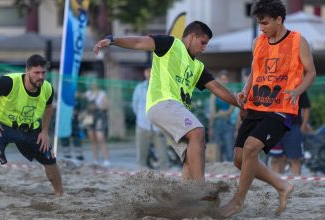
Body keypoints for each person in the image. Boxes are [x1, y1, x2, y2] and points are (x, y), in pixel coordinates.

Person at [94, 20, 239, 182]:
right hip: (162, 103)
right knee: (198, 132)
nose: (204, 47)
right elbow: (139, 42)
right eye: (202, 42)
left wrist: (239, 103)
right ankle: (201, 188)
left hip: (173, 110)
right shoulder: (171, 44)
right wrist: (112, 39)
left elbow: (217, 88)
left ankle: (188, 199)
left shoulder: (197, 66)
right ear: (191, 37)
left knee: (191, 156)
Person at [220, 0, 316, 218]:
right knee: (239, 158)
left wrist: (297, 91)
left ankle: (237, 201)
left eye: (265, 23)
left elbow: (311, 73)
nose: (261, 27)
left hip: (282, 107)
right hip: (256, 104)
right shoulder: (257, 42)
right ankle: (282, 185)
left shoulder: (298, 41)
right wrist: (244, 90)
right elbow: (255, 73)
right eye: (259, 23)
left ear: (279, 20)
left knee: (252, 147)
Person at [0, 54, 63, 196]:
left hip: (30, 129)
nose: (41, 77)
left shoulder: (47, 88)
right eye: (37, 73)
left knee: (49, 158)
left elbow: (49, 107)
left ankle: (60, 194)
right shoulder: (9, 82)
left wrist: (44, 131)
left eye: (43, 73)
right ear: (27, 71)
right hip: (2, 125)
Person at [132, 64, 169, 170]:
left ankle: (165, 177)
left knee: (163, 155)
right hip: (142, 125)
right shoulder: (139, 88)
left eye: (152, 71)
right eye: (147, 71)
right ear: (144, 73)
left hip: (158, 126)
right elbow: (135, 105)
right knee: (141, 155)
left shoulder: (162, 87)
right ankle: (140, 178)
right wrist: (141, 117)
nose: (149, 73)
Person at [270, 91, 312, 176]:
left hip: (293, 126)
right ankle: (278, 184)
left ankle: (296, 185)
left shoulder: (298, 85)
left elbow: (306, 107)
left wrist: (303, 127)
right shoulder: (273, 84)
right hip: (275, 126)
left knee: (295, 159)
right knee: (276, 158)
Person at [208, 70, 235, 161]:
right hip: (217, 124)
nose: (224, 81)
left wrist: (219, 114)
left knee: (229, 149)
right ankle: (218, 171)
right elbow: (212, 112)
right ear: (218, 80)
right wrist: (211, 126)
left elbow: (231, 110)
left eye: (225, 79)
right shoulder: (214, 94)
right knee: (217, 149)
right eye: (222, 79)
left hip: (228, 124)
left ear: (227, 81)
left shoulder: (231, 93)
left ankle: (231, 172)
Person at [84, 83, 110, 167]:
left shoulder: (102, 94)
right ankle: (96, 159)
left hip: (99, 116)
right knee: (92, 138)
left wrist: (101, 106)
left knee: (100, 138)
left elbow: (106, 106)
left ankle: (106, 159)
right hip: (89, 116)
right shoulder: (88, 93)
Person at [60, 90, 85, 161]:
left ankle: (79, 155)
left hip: (74, 121)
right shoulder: (62, 101)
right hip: (64, 121)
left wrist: (79, 116)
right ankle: (66, 155)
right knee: (64, 137)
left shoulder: (76, 101)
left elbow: (81, 111)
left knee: (76, 137)